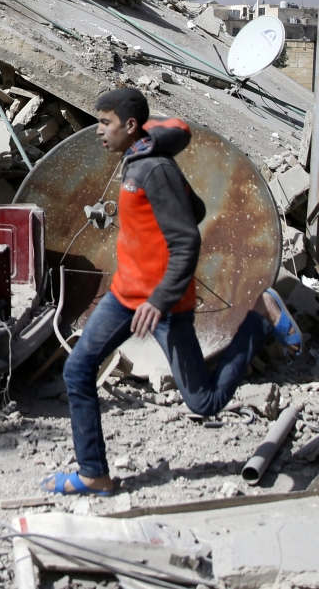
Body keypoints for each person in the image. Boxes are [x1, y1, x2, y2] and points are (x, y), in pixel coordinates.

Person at [42, 88, 301, 496]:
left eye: (104, 122)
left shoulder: (154, 170)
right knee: (78, 369)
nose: (97, 131)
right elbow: (193, 210)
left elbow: (186, 240)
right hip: (125, 295)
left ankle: (260, 318)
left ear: (129, 126)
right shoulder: (137, 160)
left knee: (203, 403)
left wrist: (160, 298)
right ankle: (95, 475)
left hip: (162, 305)